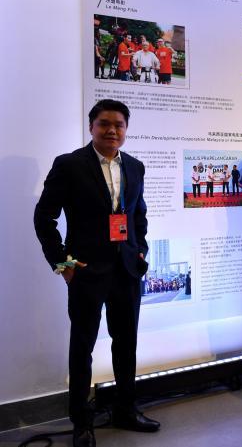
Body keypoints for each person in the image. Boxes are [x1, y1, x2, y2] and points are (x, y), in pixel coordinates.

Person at [34, 99, 160, 447]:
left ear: (126, 129)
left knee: (126, 344)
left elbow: (138, 216)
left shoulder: (134, 166)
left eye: (119, 124)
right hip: (86, 272)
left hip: (126, 270)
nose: (111, 130)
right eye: (104, 123)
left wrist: (140, 250)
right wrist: (63, 263)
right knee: (82, 347)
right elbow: (44, 217)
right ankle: (82, 422)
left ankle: (125, 410)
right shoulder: (70, 165)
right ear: (91, 127)